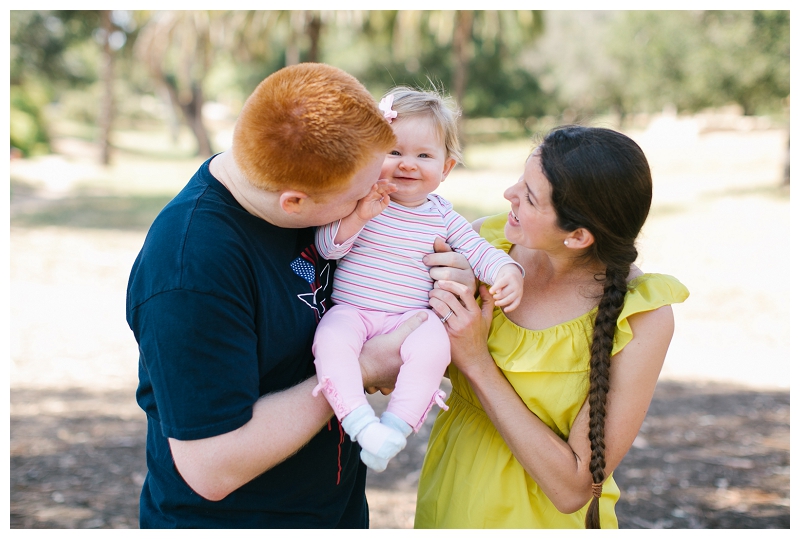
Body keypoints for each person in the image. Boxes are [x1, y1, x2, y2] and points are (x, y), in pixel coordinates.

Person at [126, 64, 475, 528]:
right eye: (358, 195)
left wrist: (447, 280)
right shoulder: (191, 270)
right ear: (295, 201)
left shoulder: (294, 172)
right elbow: (211, 466)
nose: (376, 196)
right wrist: (364, 365)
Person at [414, 125, 690, 529]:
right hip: (448, 500)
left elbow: (573, 488)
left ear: (578, 236)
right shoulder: (484, 248)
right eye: (520, 180)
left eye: (528, 196)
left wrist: (476, 361)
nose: (509, 194)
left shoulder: (640, 314)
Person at [311, 87, 524, 473]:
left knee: (434, 347)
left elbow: (478, 251)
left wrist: (507, 270)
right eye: (394, 152)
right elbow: (327, 247)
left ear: (445, 169)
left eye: (424, 155)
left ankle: (394, 428)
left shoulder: (442, 215)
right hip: (352, 311)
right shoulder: (362, 201)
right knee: (329, 341)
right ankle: (359, 421)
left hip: (412, 319)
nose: (407, 164)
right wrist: (359, 217)